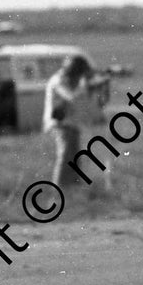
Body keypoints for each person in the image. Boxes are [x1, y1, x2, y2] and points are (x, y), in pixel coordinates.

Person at [43, 55, 97, 188]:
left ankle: (73, 184)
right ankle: (59, 185)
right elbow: (70, 96)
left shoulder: (68, 80)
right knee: (65, 155)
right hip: (60, 124)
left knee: (75, 156)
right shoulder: (58, 81)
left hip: (71, 123)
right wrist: (84, 86)